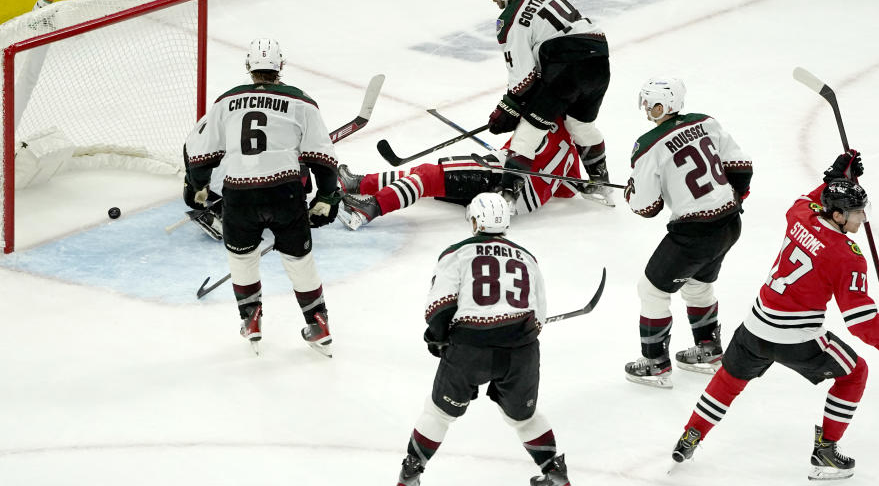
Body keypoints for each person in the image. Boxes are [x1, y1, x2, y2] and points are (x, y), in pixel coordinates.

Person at [670, 151, 879, 480]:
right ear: (836, 215)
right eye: (855, 211)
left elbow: (808, 199)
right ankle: (825, 452)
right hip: (797, 339)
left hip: (756, 326)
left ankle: (691, 435)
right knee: (855, 373)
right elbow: (859, 320)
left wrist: (833, 179)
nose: (862, 218)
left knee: (728, 381)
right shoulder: (846, 257)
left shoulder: (800, 216)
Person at [394, 192, 572, 486]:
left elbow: (439, 306)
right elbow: (539, 315)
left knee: (438, 412)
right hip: (521, 351)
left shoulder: (457, 253)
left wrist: (437, 337)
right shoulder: (527, 257)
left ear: (475, 220)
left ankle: (411, 470)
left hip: (470, 349)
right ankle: (553, 472)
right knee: (525, 417)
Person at [183, 38, 341, 356]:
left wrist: (197, 187)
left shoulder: (226, 101)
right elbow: (322, 156)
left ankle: (251, 319)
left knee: (242, 258)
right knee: (299, 260)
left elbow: (201, 154)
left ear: (248, 67)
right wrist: (327, 195)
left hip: (239, 194)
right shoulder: (302, 102)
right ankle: (318, 322)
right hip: (286, 192)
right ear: (280, 66)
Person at [623, 77, 752, 388]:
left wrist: (632, 192)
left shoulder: (647, 146)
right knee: (697, 285)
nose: (648, 110)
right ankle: (708, 351)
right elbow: (741, 166)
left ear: (668, 104)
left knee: (652, 290)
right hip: (730, 223)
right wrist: (733, 197)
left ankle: (655, 363)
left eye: (652, 104)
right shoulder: (706, 123)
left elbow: (647, 207)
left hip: (694, 234)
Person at [480, 0, 613, 206]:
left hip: (568, 69)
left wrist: (506, 109)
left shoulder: (509, 21)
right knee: (580, 125)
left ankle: (507, 195)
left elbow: (523, 80)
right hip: (599, 60)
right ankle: (600, 180)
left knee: (527, 132)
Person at [336, 119, 583, 229]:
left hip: (500, 178)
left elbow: (520, 152)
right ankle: (359, 183)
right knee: (434, 179)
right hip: (518, 205)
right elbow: (567, 190)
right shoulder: (571, 146)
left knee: (427, 177)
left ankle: (370, 208)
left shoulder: (539, 119)